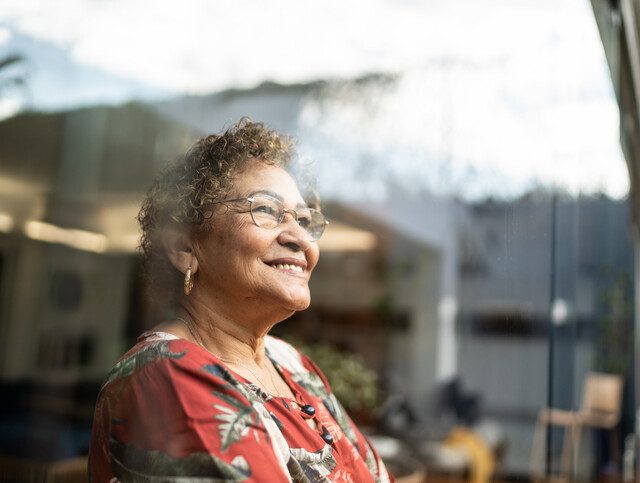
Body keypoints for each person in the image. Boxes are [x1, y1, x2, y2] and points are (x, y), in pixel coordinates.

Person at [89, 119, 393, 482]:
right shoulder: (167, 373)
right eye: (265, 209)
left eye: (304, 219)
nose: (300, 237)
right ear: (185, 247)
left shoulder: (291, 364)